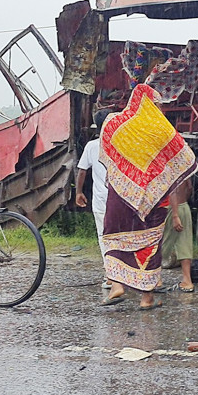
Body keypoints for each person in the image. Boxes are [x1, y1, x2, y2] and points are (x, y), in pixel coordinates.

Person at [98, 84, 197, 309]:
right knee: (149, 245)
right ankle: (146, 298)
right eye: (159, 104)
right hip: (152, 199)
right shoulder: (159, 128)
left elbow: (107, 155)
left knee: (115, 237)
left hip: (120, 194)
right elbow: (181, 155)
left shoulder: (114, 122)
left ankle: (116, 285)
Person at [76, 109, 112, 289]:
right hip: (120, 201)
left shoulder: (91, 146)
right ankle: (127, 276)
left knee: (103, 237)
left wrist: (78, 192)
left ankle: (111, 276)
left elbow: (82, 170)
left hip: (101, 201)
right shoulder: (120, 144)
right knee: (122, 236)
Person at [161, 177, 195, 292]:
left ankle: (155, 280)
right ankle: (187, 281)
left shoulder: (168, 168)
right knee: (184, 244)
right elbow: (189, 188)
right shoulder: (184, 168)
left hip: (172, 208)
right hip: (184, 206)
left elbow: (172, 191)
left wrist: (175, 214)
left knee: (161, 243)